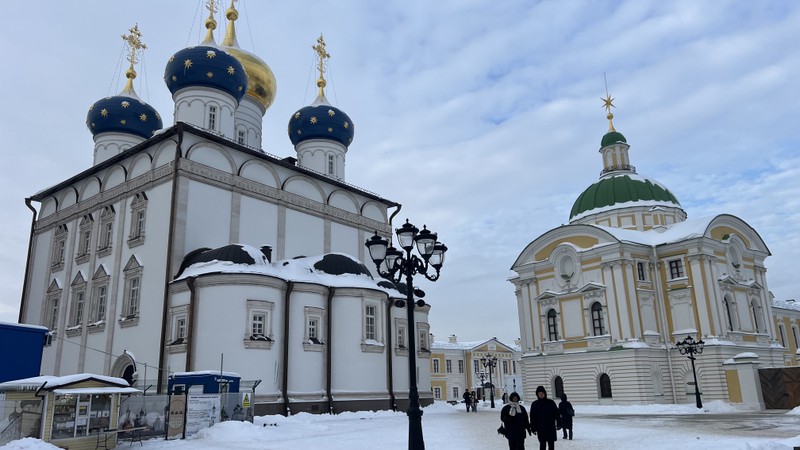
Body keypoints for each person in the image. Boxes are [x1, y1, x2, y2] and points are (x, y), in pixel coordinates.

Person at [529, 385, 561, 450]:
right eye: (539, 394)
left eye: (542, 393)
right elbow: (532, 417)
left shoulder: (550, 403)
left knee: (551, 444)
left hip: (550, 427)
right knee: (542, 444)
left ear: (545, 393)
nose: (541, 395)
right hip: (540, 428)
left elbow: (557, 414)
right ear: (537, 394)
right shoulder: (535, 404)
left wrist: (559, 424)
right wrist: (533, 428)